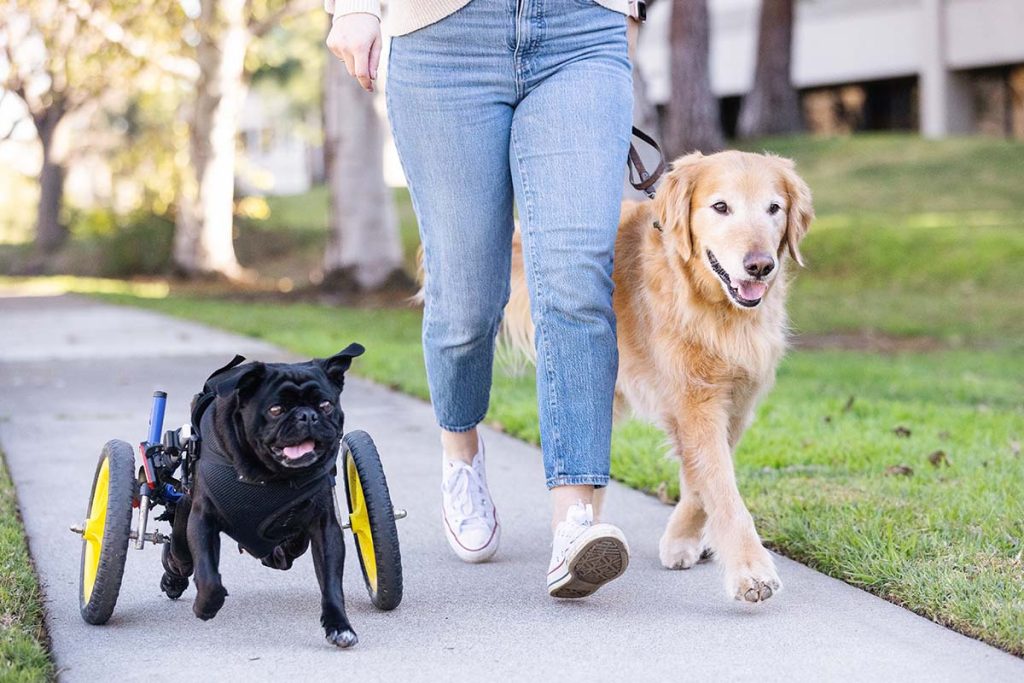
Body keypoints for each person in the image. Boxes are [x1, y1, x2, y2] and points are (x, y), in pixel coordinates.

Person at [326, 0, 635, 598]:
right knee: (465, 299)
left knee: (576, 279)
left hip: (580, 34)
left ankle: (575, 520)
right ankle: (461, 454)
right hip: (445, 40)